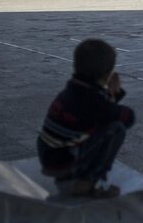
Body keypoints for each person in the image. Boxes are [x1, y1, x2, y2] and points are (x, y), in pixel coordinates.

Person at [37, 39, 135, 198]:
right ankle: (85, 182)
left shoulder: (73, 88)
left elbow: (96, 114)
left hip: (48, 154)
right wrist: (114, 93)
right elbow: (128, 117)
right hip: (63, 161)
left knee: (101, 123)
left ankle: (73, 179)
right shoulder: (92, 99)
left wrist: (109, 95)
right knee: (116, 129)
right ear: (107, 72)